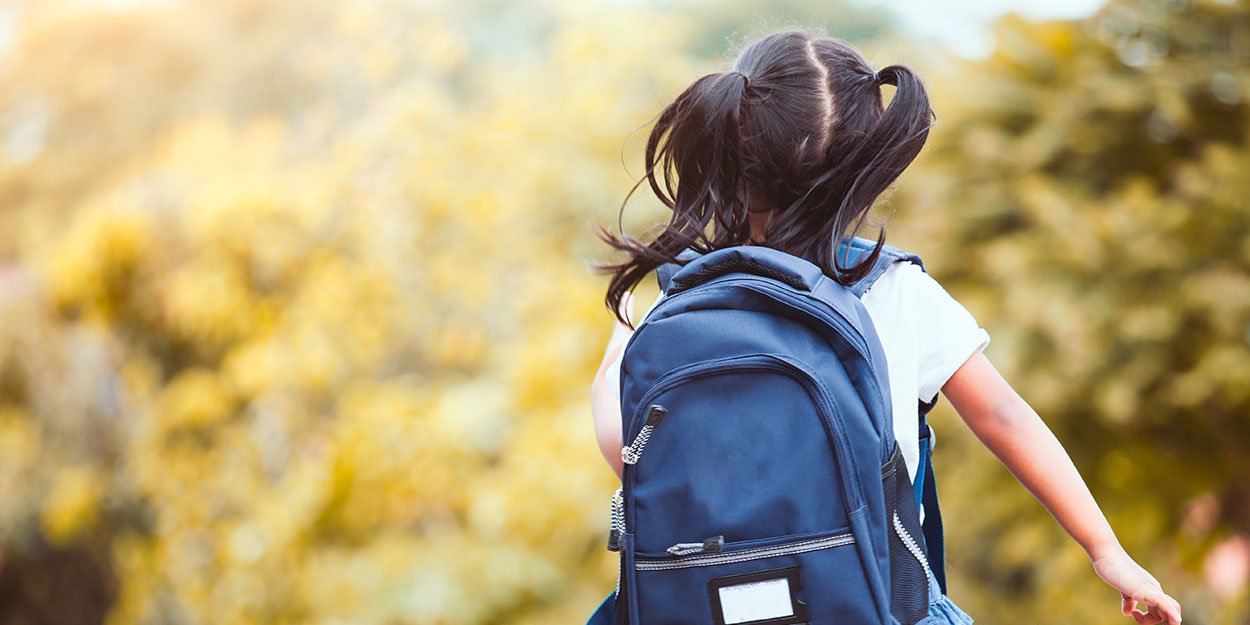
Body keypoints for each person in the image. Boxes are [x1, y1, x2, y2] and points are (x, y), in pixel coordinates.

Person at [588, 28, 1183, 625]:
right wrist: (1106, 550)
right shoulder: (897, 290)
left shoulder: (679, 302)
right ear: (863, 168)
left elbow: (628, 454)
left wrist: (622, 344)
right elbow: (1004, 416)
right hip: (878, 607)